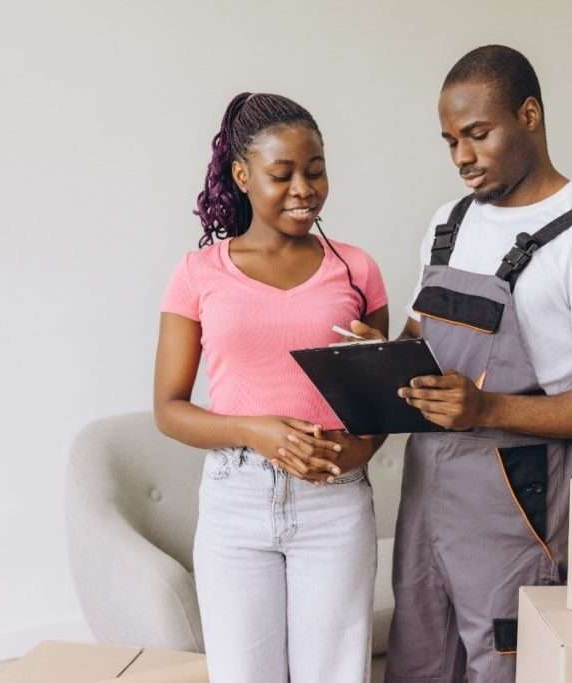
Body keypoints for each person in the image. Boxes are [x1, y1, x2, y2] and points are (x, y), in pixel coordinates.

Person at [352, 46, 572, 681]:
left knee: (507, 666)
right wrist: (377, 358)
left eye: (477, 134)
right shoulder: (449, 221)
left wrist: (488, 408)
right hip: (426, 492)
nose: (461, 157)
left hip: (516, 498)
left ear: (529, 115)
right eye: (448, 141)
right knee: (419, 662)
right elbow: (426, 340)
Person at [153, 92, 389, 683]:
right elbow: (169, 409)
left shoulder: (357, 269)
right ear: (242, 175)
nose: (304, 189)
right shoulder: (198, 273)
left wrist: (359, 444)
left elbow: (379, 408)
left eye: (315, 171)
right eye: (281, 175)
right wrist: (253, 431)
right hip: (236, 504)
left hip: (334, 503)